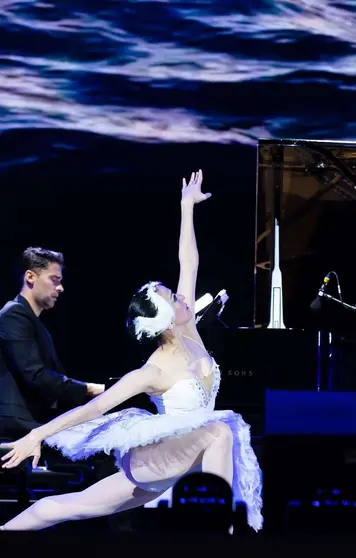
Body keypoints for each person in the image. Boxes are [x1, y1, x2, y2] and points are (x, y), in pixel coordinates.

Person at [0, 169, 263, 533]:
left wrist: (187, 207)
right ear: (167, 319)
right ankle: (221, 534)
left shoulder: (187, 329)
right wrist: (37, 435)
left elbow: (189, 260)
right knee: (220, 430)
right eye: (173, 298)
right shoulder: (153, 371)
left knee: (64, 508)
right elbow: (95, 407)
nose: (182, 297)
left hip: (185, 456)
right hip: (157, 456)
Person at [0, 247, 105, 440]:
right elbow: (35, 375)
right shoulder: (13, 315)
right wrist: (89, 389)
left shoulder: (33, 321)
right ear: (30, 277)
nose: (60, 288)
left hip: (33, 423)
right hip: (16, 428)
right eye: (54, 280)